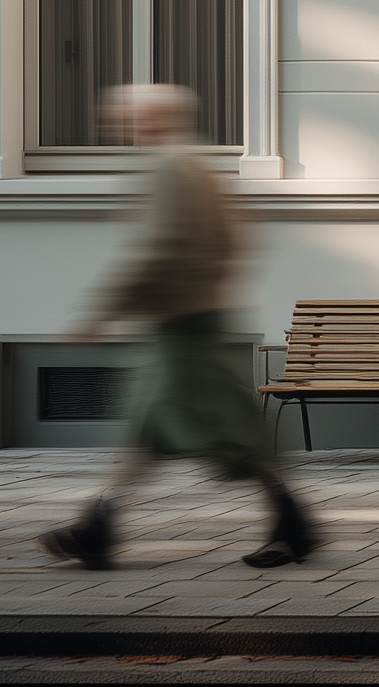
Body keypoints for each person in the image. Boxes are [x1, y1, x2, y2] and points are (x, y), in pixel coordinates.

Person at [36, 85, 318, 571]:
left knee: (222, 433)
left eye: (121, 117)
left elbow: (155, 250)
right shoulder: (196, 166)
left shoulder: (169, 167)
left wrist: (101, 311)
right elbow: (234, 241)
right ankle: (98, 526)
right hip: (191, 321)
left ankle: (291, 522)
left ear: (149, 120)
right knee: (152, 429)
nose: (114, 126)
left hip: (182, 328)